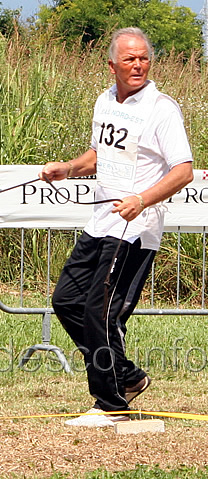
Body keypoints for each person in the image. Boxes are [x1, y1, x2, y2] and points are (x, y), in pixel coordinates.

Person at [39, 27, 194, 427]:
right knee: (67, 301)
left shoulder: (162, 109)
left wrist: (142, 199)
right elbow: (99, 155)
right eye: (130, 59)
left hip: (136, 227)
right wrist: (68, 169)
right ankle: (126, 376)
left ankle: (111, 405)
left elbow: (184, 171)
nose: (138, 64)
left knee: (100, 312)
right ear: (112, 65)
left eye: (143, 57)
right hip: (101, 221)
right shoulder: (105, 100)